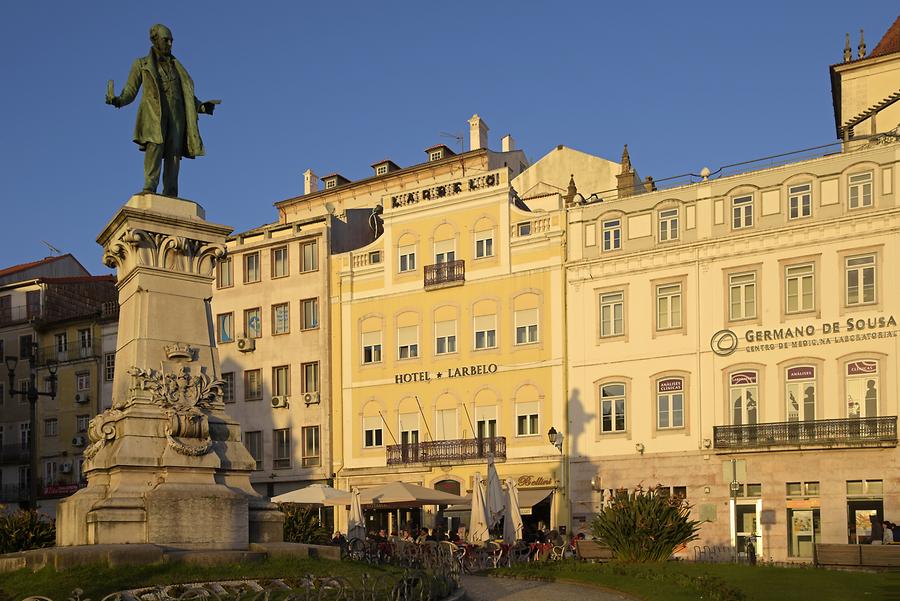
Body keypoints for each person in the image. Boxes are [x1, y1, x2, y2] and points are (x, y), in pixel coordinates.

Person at [106, 24, 218, 197]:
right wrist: (118, 100)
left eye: (171, 40)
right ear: (154, 40)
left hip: (177, 115)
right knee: (155, 147)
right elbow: (130, 91)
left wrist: (201, 106)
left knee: (174, 153)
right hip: (154, 114)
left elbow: (186, 95)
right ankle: (150, 186)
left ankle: (171, 192)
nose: (170, 44)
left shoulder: (177, 67)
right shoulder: (141, 64)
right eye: (166, 40)